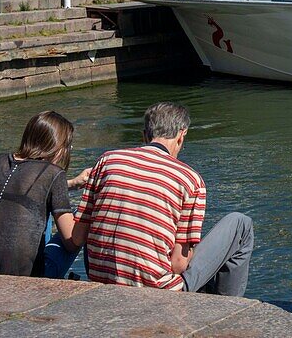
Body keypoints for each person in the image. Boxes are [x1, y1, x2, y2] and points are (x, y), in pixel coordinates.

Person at [72, 102, 254, 295]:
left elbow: (77, 237)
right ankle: (226, 308)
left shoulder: (107, 161)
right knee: (240, 224)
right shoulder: (190, 179)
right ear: (181, 136)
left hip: (100, 279)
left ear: (144, 135)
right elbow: (178, 265)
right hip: (157, 291)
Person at [0, 111, 91, 278]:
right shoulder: (53, 173)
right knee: (81, 217)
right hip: (26, 280)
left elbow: (23, 193)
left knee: (37, 209)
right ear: (57, 146)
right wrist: (92, 203)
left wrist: (70, 185)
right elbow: (71, 242)